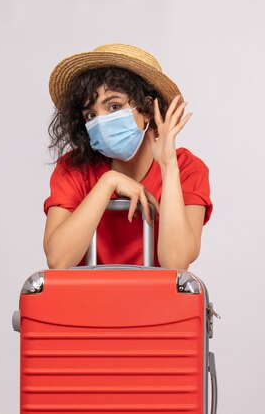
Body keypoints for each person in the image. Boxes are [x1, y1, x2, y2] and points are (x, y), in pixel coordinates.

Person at [42, 44, 213, 270]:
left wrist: (168, 166)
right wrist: (109, 181)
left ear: (146, 108)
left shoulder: (188, 169)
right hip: (87, 301)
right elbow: (58, 260)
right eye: (91, 114)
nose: (101, 122)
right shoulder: (73, 168)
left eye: (114, 106)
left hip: (156, 303)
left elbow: (176, 263)